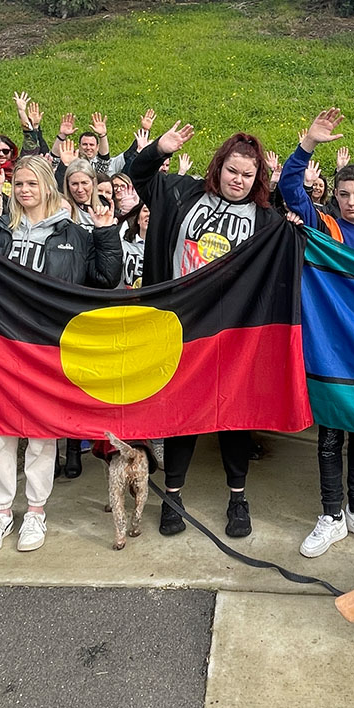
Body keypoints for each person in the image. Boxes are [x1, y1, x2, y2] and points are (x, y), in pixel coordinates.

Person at [128, 120, 280, 538]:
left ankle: (237, 497)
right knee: (183, 415)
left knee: (234, 418)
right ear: (219, 167)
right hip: (179, 327)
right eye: (233, 170)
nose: (239, 180)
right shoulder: (182, 193)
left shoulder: (265, 219)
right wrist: (160, 147)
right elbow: (138, 176)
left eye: (248, 175)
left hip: (233, 335)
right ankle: (173, 496)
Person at [0, 156, 121, 555]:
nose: (24, 190)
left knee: (41, 433)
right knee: (0, 433)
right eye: (18, 184)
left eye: (31, 184)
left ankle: (35, 510)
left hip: (48, 345)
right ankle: (1, 512)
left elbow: (105, 280)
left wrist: (106, 234)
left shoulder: (73, 232)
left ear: (48, 187)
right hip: (3, 343)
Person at [280, 108, 354, 558]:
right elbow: (289, 189)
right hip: (330, 347)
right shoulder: (325, 227)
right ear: (336, 195)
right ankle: (331, 514)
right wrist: (308, 143)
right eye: (344, 194)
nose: (351, 202)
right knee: (331, 434)